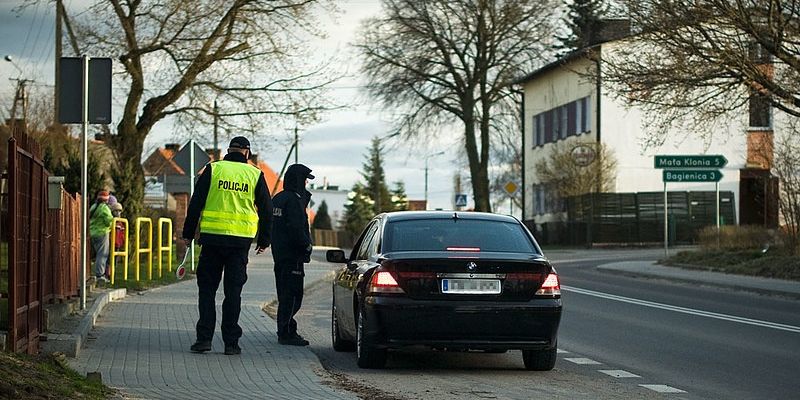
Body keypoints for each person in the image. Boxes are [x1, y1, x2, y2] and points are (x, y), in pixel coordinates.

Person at [182, 136, 273, 355]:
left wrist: (188, 234)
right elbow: (267, 209)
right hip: (239, 244)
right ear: (247, 153)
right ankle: (231, 343)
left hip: (212, 240)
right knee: (233, 293)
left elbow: (196, 203)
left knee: (207, 291)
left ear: (228, 151)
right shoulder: (255, 174)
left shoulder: (213, 170)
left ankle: (204, 340)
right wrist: (264, 240)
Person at [271, 163, 314, 346]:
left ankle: (285, 329)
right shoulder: (294, 201)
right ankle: (286, 332)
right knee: (293, 296)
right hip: (293, 256)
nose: (306, 183)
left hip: (279, 254)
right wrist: (306, 246)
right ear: (298, 180)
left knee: (284, 294)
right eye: (305, 179)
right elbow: (297, 228)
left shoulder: (278, 199)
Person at [89, 190, 114, 283]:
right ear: (106, 200)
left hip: (92, 233)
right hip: (102, 233)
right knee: (102, 254)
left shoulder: (93, 206)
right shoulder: (104, 208)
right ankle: (100, 275)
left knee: (95, 254)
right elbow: (109, 221)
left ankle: (94, 273)